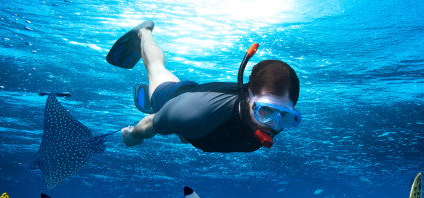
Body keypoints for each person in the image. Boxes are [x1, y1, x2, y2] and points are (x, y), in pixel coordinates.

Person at [106, 21, 301, 152]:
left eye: (285, 115)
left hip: (200, 118)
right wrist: (133, 135)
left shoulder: (269, 119)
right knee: (156, 68)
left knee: (184, 132)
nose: (273, 125)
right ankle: (144, 32)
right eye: (266, 111)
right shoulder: (190, 112)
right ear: (248, 98)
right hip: (175, 98)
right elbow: (150, 123)